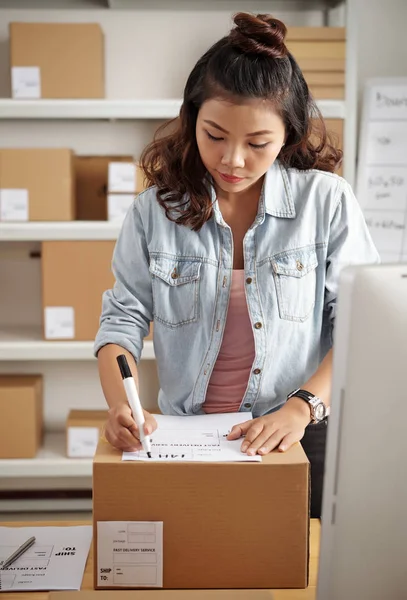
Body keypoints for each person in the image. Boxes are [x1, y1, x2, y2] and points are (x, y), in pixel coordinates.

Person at [95, 12, 379, 518]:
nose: (233, 161)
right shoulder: (154, 212)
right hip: (188, 436)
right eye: (214, 135)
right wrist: (122, 404)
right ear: (192, 118)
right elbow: (122, 319)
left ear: (287, 136)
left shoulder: (327, 203)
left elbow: (362, 326)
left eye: (257, 144)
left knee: (298, 579)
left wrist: (301, 407)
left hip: (298, 430)